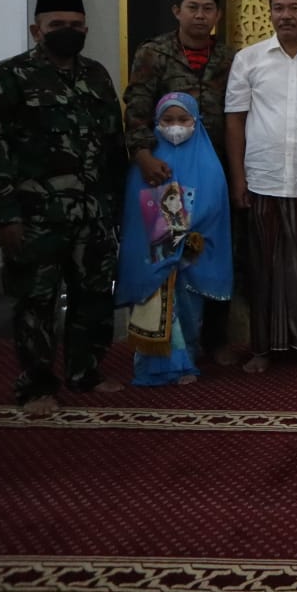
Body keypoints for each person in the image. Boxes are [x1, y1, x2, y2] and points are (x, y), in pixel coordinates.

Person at [0, 0, 127, 416]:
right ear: (36, 30)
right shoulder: (8, 77)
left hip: (93, 212)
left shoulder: (96, 76)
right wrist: (2, 215)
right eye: (57, 23)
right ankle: (35, 385)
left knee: (93, 296)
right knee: (35, 303)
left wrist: (119, 207)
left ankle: (86, 372)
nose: (68, 31)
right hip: (34, 216)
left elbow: (114, 145)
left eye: (76, 24)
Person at [122, 0, 238, 365]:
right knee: (167, 252)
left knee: (211, 250)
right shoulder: (153, 53)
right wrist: (141, 155)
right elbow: (137, 105)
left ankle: (215, 339)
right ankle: (168, 342)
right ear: (177, 11)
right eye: (193, 7)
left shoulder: (229, 58)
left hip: (214, 173)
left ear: (218, 14)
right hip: (165, 175)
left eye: (208, 9)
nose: (200, 16)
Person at [224, 0, 297, 373]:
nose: (285, 16)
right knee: (263, 268)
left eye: (294, 8)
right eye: (278, 8)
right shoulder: (249, 59)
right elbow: (235, 121)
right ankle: (261, 349)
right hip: (263, 179)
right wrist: (238, 180)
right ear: (269, 11)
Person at [115, 93, 234, 387]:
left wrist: (185, 235)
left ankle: (185, 360)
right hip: (155, 251)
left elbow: (214, 205)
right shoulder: (149, 163)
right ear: (157, 122)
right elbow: (135, 205)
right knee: (154, 300)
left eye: (183, 120)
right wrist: (167, 236)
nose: (176, 126)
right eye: (168, 120)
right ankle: (152, 364)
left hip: (191, 250)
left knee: (188, 307)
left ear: (197, 121)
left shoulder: (208, 161)